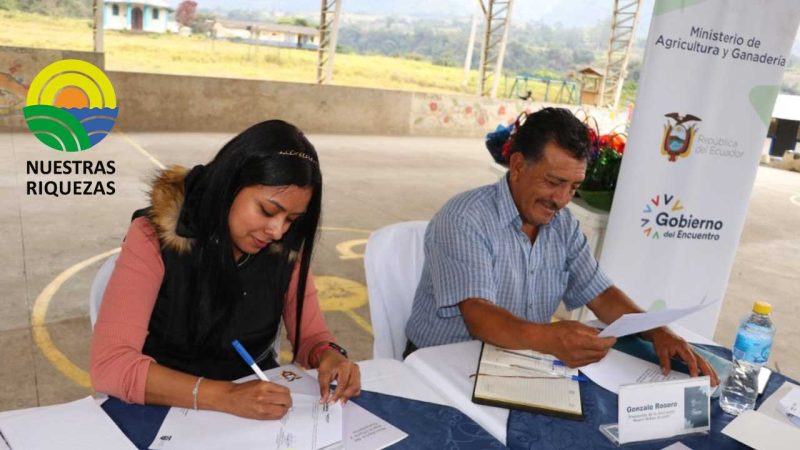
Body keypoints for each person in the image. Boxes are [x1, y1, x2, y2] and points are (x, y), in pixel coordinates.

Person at [404, 107, 718, 385]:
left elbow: (602, 294)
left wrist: (657, 331)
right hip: (441, 367)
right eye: (553, 182)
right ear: (516, 165)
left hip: (521, 362)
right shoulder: (465, 218)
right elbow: (480, 316)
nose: (561, 200)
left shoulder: (562, 225)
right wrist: (551, 337)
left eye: (574, 187)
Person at [90, 120, 361, 420]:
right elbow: (112, 365)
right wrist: (226, 396)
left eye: (292, 219)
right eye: (267, 211)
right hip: (165, 407)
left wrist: (329, 354)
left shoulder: (285, 247)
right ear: (230, 186)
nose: (277, 231)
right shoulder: (154, 237)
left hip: (254, 407)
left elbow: (311, 338)